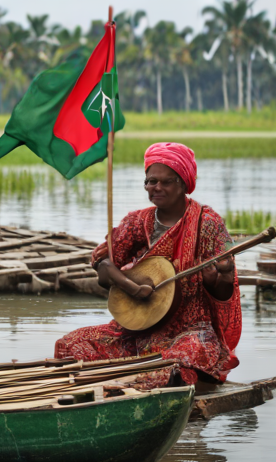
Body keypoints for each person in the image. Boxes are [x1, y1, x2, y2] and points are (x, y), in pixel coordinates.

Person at [54, 142, 242, 385]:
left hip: (189, 331)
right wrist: (132, 287)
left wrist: (219, 279)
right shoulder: (136, 222)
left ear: (184, 183)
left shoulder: (207, 223)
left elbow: (225, 292)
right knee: (70, 346)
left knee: (185, 357)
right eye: (151, 181)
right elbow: (103, 270)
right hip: (137, 329)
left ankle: (146, 383)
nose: (157, 188)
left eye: (166, 181)